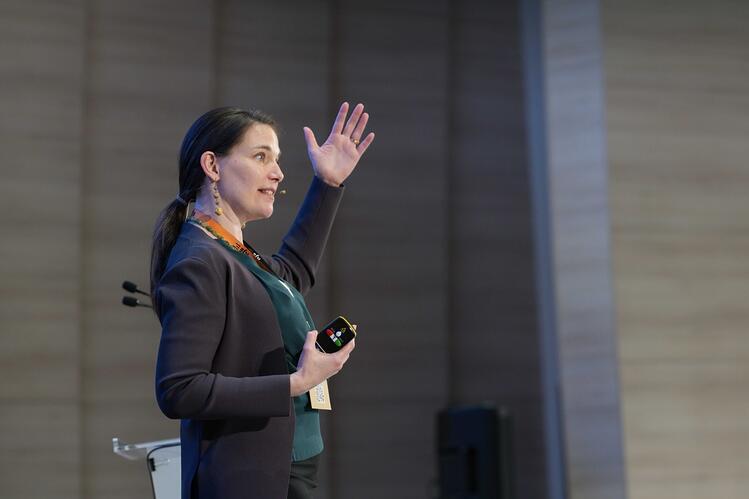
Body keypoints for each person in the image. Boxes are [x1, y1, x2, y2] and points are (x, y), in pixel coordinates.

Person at [150, 102, 375, 499]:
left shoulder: (233, 251)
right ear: (212, 166)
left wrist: (328, 183)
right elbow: (179, 389)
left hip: (286, 467)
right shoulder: (199, 260)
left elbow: (292, 274)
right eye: (260, 157)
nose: (278, 172)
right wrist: (297, 382)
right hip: (248, 479)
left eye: (277, 159)